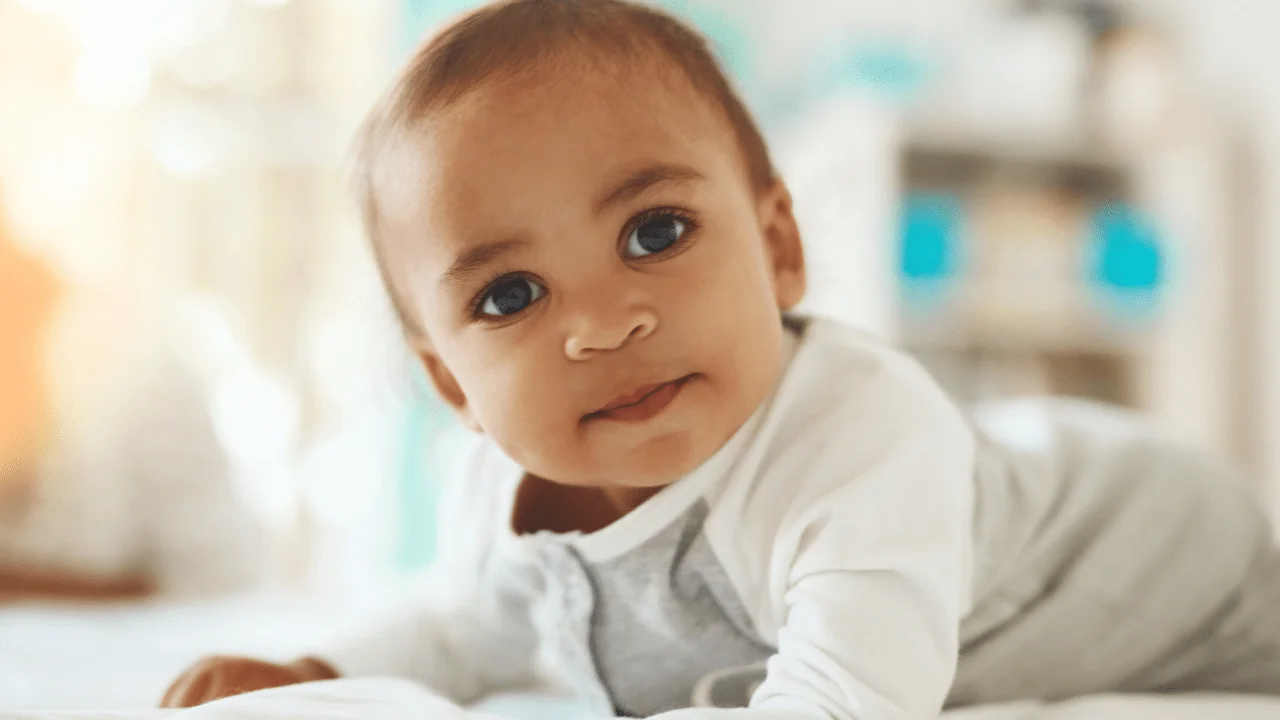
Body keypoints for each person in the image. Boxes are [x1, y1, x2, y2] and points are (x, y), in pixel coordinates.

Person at [161, 0, 1280, 717]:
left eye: (654, 232)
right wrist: (313, 673)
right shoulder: (493, 493)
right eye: (509, 295)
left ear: (780, 249)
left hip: (1186, 567)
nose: (600, 326)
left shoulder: (854, 445)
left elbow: (844, 698)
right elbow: (460, 629)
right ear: (450, 383)